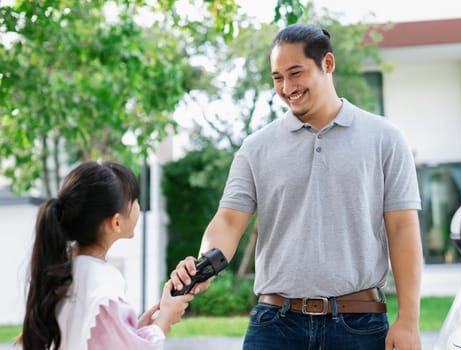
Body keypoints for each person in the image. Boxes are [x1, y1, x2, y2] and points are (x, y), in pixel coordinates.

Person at [172, 23, 423, 350]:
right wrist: (204, 265)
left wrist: (409, 320)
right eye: (277, 78)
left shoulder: (385, 139)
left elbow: (403, 228)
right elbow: (229, 221)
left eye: (295, 73)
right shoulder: (256, 147)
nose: (287, 87)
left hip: (359, 325)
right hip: (275, 326)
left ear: (328, 65)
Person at [19, 160, 193, 350]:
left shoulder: (62, 272)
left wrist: (134, 330)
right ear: (116, 222)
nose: (138, 206)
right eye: (134, 200)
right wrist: (163, 321)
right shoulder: (103, 284)